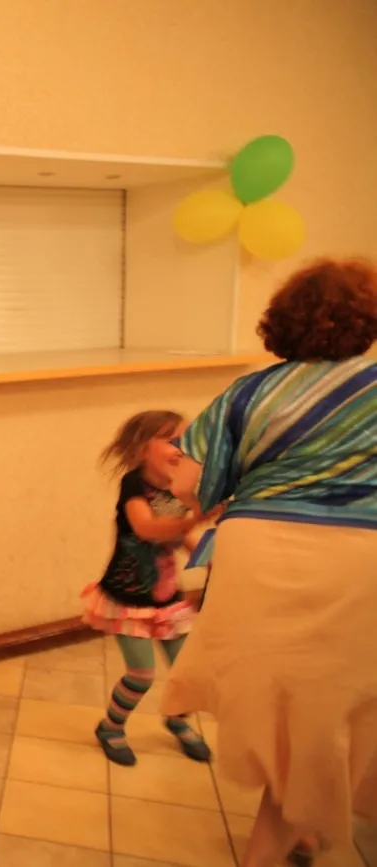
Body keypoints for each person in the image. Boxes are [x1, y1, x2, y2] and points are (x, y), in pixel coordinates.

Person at [161, 258, 377, 867]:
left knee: (286, 697)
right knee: (337, 699)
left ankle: (299, 826)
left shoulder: (248, 392)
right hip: (361, 555)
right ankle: (281, 839)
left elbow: (187, 484)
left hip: (257, 550)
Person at [81, 411, 218, 767]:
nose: (182, 448)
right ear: (142, 450)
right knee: (141, 675)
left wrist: (210, 558)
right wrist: (197, 517)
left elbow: (177, 534)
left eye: (185, 441)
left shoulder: (176, 490)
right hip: (127, 600)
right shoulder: (134, 486)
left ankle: (177, 721)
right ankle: (111, 728)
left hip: (166, 598)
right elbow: (147, 528)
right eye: (171, 441)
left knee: (186, 672)